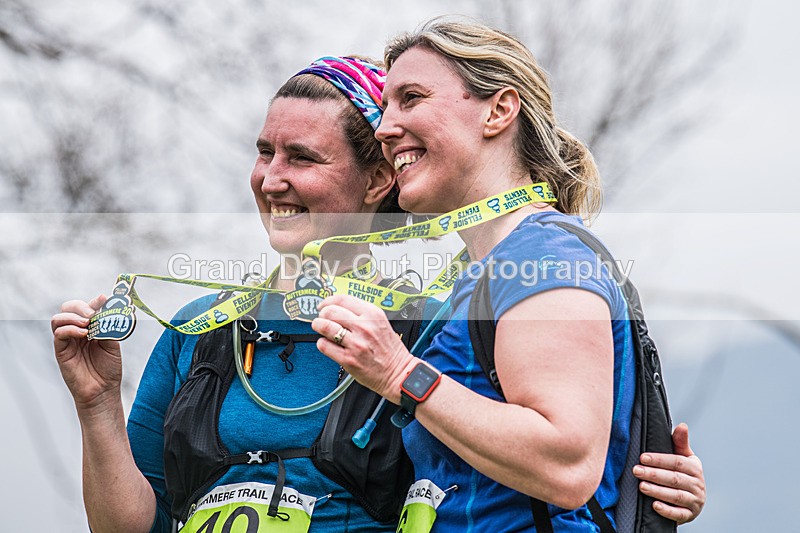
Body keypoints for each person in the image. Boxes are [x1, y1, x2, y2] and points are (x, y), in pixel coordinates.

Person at [311, 19, 705, 532]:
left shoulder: (543, 255)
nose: (385, 128)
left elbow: (566, 464)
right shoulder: (487, 271)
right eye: (386, 107)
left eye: (411, 98)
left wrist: (397, 373)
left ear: (498, 111)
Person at [51, 56, 416, 533]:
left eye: (302, 158)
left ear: (376, 181)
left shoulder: (424, 328)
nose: (270, 180)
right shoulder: (198, 327)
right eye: (265, 153)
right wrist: (97, 405)